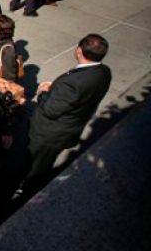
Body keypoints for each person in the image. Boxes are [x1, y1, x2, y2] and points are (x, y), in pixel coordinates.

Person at [25, 34, 112, 189]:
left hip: (48, 134)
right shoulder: (104, 72)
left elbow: (50, 110)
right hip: (70, 128)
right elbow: (79, 96)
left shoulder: (73, 83)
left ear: (79, 50)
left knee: (34, 166)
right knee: (45, 161)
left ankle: (25, 188)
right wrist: (56, 89)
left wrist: (43, 92)